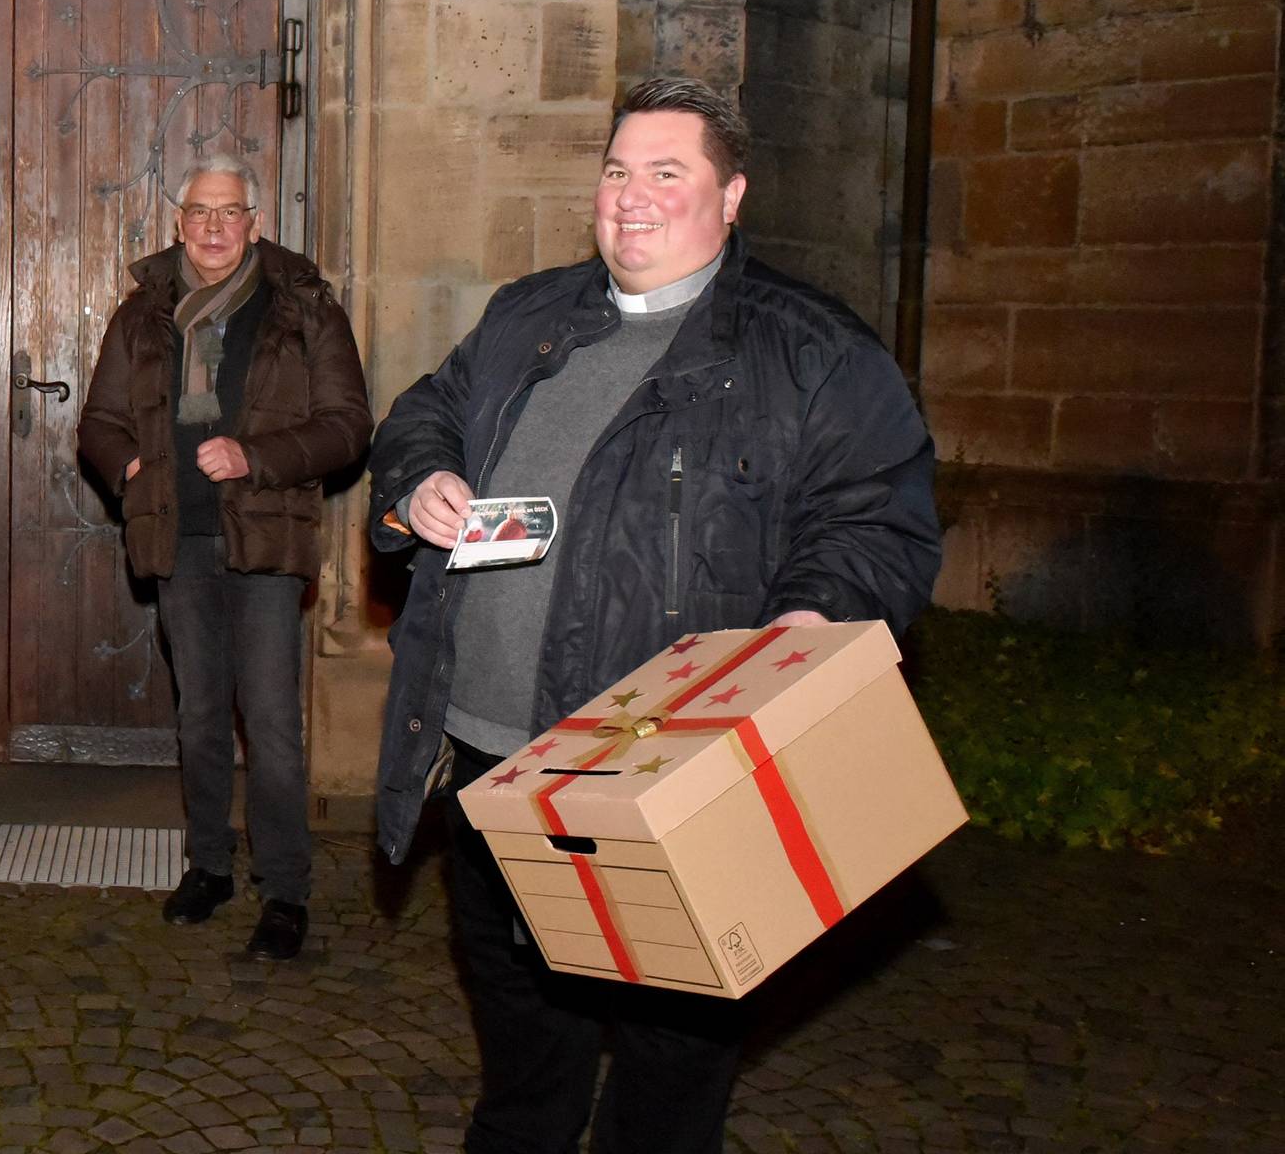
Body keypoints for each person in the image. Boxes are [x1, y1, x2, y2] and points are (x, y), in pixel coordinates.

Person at [366, 77, 943, 1152]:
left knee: (664, 1087)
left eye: (665, 173)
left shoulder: (808, 352)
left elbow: (874, 519)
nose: (630, 197)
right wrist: (418, 479)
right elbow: (422, 410)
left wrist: (812, 624)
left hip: (660, 793)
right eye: (615, 169)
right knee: (523, 1069)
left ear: (729, 196)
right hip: (493, 774)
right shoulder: (524, 315)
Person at [77, 152, 373, 961]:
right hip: (179, 537)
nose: (214, 227)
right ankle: (209, 864)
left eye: (229, 211)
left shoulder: (302, 308)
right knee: (200, 713)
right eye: (200, 212)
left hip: (266, 538)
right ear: (178, 222)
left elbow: (350, 424)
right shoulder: (142, 314)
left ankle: (285, 888)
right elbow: (99, 422)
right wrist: (128, 466)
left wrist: (257, 457)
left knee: (272, 722)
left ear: (255, 222)